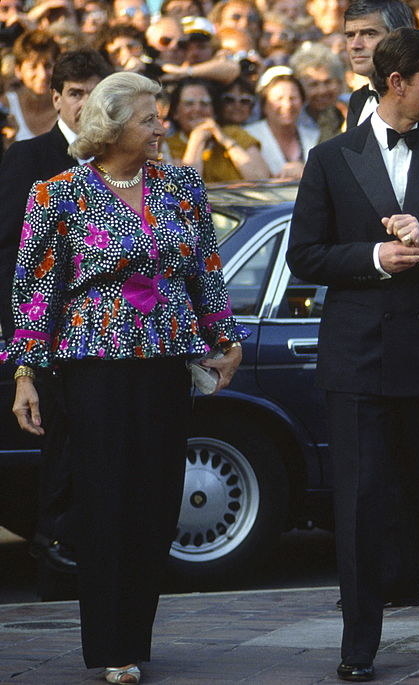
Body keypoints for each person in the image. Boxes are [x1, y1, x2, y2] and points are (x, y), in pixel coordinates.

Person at [3, 71, 248, 684]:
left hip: (165, 363)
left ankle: (135, 637)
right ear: (111, 128)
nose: (162, 127)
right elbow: (35, 292)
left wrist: (226, 338)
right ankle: (110, 646)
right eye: (149, 118)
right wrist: (25, 375)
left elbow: (204, 272)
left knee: (155, 502)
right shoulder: (56, 195)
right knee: (106, 501)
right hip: (93, 370)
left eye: (161, 116)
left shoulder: (183, 188)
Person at [286, 27, 419, 683]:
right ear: (397, 82)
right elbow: (305, 256)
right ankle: (360, 633)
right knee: (361, 499)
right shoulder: (331, 158)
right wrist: (375, 257)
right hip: (358, 356)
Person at [0, 49, 111, 586]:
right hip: (46, 340)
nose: (86, 102)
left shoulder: (126, 163)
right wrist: (22, 346)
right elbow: (9, 257)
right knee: (58, 455)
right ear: (57, 98)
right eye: (75, 92)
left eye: (96, 90)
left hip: (112, 341)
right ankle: (56, 569)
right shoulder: (29, 158)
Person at [165, 77, 271, 181]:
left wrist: (225, 140)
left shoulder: (235, 133)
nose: (197, 109)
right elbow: (188, 189)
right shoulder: (168, 146)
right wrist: (197, 141)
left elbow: (262, 179)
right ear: (175, 113)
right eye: (189, 104)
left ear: (214, 111)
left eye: (205, 103)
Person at [343, 0, 415, 130]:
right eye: (350, 35)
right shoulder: (358, 100)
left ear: (399, 37)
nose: (355, 45)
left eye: (370, 34)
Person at [245, 66, 318, 179]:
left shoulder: (315, 136)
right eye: (279, 99)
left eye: (293, 98)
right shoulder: (248, 136)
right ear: (264, 105)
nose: (287, 105)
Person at [2, 30, 60, 141]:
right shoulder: (7, 106)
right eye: (33, 67)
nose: (42, 75)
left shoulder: (67, 108)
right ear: (18, 70)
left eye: (47, 66)